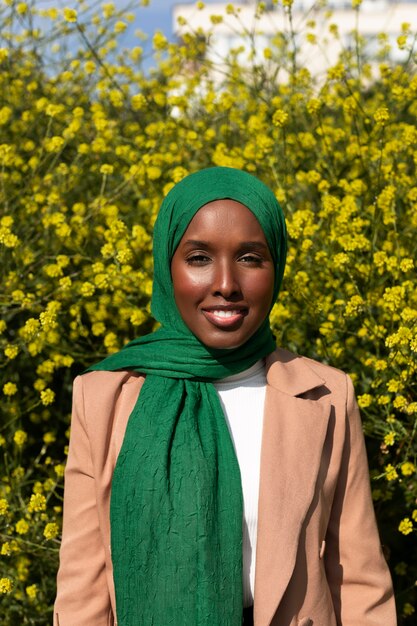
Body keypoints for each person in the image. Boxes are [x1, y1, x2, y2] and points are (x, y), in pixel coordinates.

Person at [54, 167, 396, 626]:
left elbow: (359, 580)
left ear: (277, 268)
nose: (226, 284)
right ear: (165, 267)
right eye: (198, 258)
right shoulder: (101, 398)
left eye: (251, 258)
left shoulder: (327, 396)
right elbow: (82, 585)